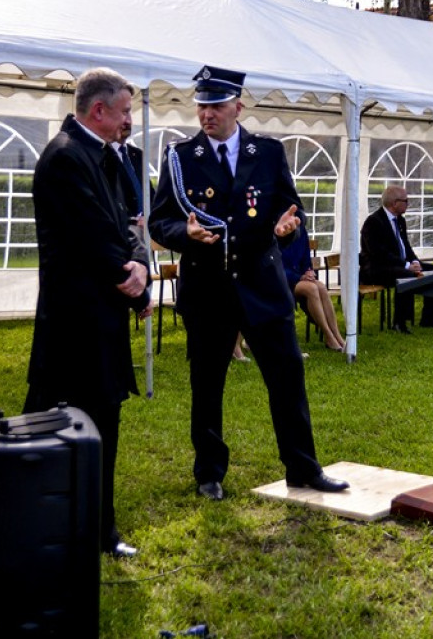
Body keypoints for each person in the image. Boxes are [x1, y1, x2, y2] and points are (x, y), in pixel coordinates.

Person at [148, 64, 348, 501]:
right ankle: (209, 472)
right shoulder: (180, 158)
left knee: (287, 376)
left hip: (262, 282)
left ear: (238, 106)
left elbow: (290, 208)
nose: (207, 115)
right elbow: (160, 222)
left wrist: (287, 228)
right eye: (201, 107)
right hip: (208, 288)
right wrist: (186, 234)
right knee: (207, 383)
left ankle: (302, 467)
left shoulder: (269, 152)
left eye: (216, 106)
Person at [24, 67, 151, 558]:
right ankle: (43, 522)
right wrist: (136, 286)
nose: (127, 123)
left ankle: (97, 529)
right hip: (74, 324)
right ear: (98, 111)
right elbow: (97, 239)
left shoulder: (101, 157)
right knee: (56, 426)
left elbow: (128, 227)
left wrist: (139, 264)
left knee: (101, 425)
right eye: (122, 113)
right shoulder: (64, 159)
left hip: (100, 319)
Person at [359, 185, 433, 334]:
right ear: (394, 203)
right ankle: (400, 322)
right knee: (407, 276)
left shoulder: (400, 220)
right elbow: (379, 254)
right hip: (377, 268)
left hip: (398, 264)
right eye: (406, 200)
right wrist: (406, 265)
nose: (408, 203)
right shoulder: (373, 222)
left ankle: (429, 317)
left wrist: (415, 262)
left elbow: (406, 246)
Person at [281, 229, 345, 352]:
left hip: (300, 277)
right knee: (311, 288)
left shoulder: (301, 231)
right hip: (283, 281)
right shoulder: (278, 231)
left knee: (321, 286)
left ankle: (337, 335)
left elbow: (306, 257)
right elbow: (277, 265)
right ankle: (328, 335)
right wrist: (300, 277)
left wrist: (309, 270)